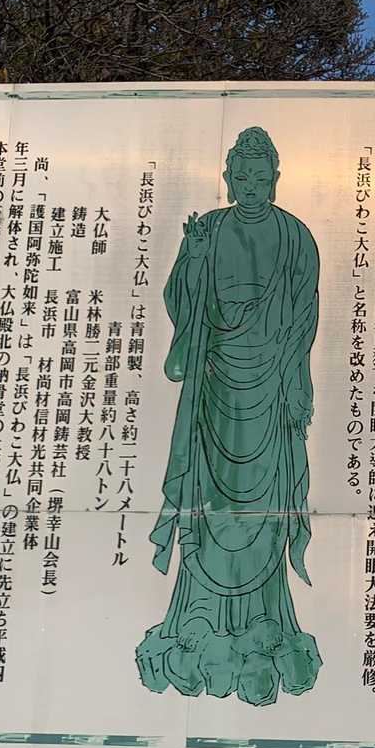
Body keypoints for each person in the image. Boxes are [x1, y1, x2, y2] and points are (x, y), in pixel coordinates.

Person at [134, 126, 321, 705]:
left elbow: (304, 318)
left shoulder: (295, 237)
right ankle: (197, 617)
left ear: (276, 179)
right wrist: (192, 257)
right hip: (215, 380)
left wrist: (297, 379)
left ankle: (265, 618)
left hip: (270, 383)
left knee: (265, 502)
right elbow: (181, 300)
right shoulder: (210, 229)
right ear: (227, 178)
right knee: (207, 500)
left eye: (260, 178)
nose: (251, 187)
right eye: (241, 177)